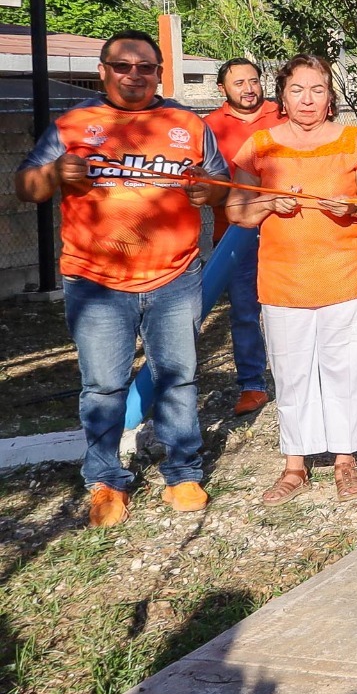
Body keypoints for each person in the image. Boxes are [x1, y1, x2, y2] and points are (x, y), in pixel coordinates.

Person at [14, 30, 227, 526]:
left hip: (174, 276)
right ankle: (107, 479)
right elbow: (25, 187)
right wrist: (55, 174)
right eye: (123, 66)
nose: (135, 75)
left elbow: (218, 185)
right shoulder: (72, 125)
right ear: (103, 71)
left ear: (158, 73)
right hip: (95, 281)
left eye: (145, 68)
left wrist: (207, 193)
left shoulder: (186, 124)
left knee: (177, 378)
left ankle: (183, 473)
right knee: (104, 385)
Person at [227, 56, 357, 504]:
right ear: (282, 95)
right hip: (284, 279)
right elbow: (236, 212)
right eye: (297, 90)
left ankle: (345, 460)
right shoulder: (259, 145)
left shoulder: (355, 140)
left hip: (347, 274)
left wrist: (353, 206)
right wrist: (268, 205)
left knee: (347, 369)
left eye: (317, 89)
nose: (307, 99)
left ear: (330, 96)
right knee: (292, 371)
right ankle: (295, 464)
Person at [204, 57, 279, 416]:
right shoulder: (208, 127)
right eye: (239, 83)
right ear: (222, 89)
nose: (249, 88)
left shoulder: (283, 115)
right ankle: (252, 384)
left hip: (285, 225)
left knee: (288, 306)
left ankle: (296, 377)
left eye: (253, 81)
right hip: (234, 232)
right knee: (245, 311)